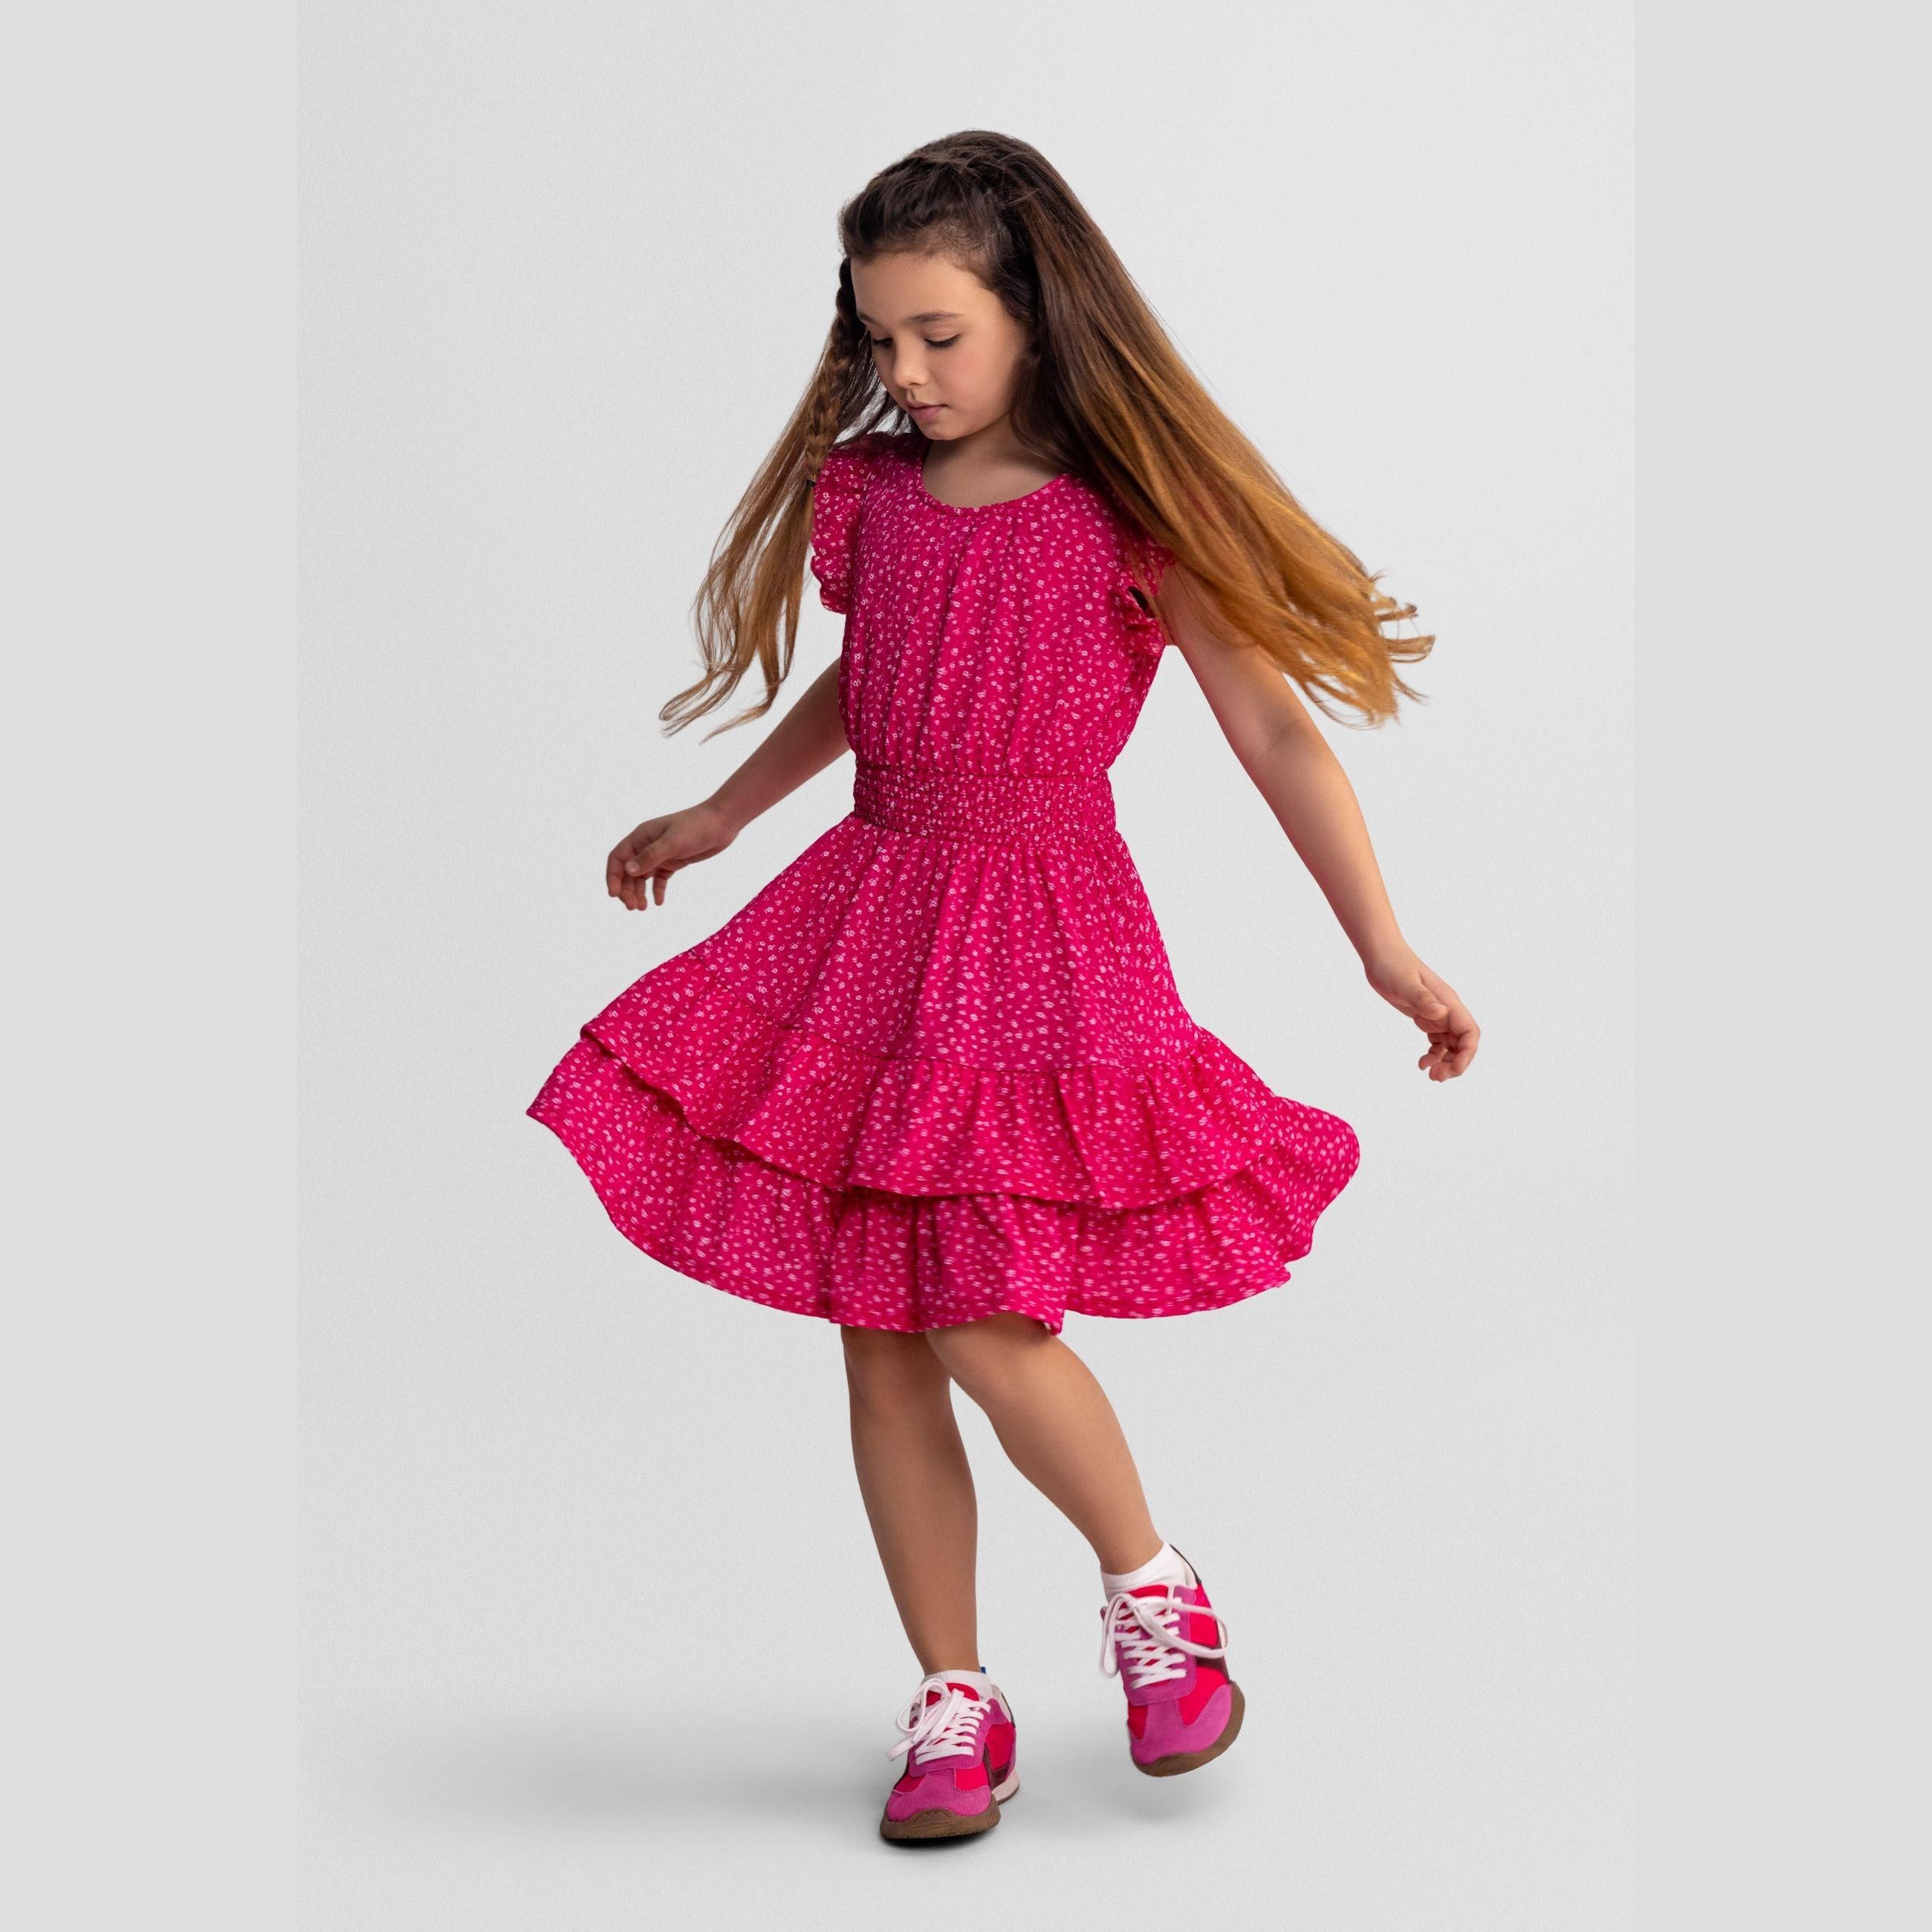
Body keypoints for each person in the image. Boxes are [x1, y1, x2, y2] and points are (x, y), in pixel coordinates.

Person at [527, 129, 1479, 1845]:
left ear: (1036, 312)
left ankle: (1152, 1586)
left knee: (980, 1304)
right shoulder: (877, 493)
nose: (901, 370)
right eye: (875, 334)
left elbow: (1272, 728)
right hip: (874, 913)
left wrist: (1382, 948)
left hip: (1043, 927)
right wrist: (727, 811)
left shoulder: (1131, 511)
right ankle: (952, 1695)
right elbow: (870, 679)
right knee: (880, 1336)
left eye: (937, 334)